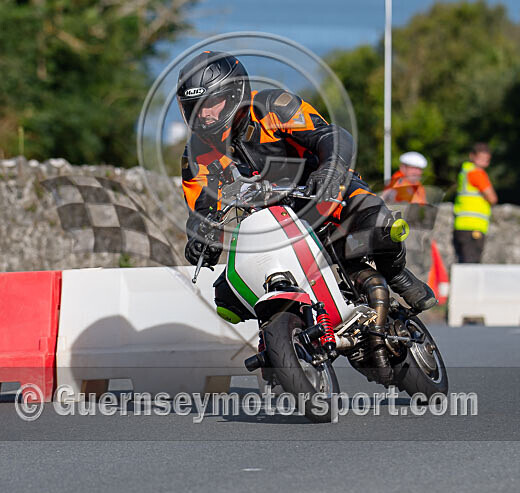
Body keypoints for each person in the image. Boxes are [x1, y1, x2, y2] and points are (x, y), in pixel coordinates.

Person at [176, 51, 437, 322]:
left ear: (234, 95)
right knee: (226, 300)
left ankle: (395, 273)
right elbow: (201, 208)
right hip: (271, 223)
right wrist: (200, 238)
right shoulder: (196, 155)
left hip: (327, 193)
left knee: (382, 226)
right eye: (195, 106)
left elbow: (331, 135)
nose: (204, 114)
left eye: (212, 103)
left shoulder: (274, 106)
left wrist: (330, 170)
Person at [453, 142, 498, 263]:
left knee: (464, 263)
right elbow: (492, 198)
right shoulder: (477, 173)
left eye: (486, 160)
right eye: (481, 159)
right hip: (473, 226)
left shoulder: (465, 171)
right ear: (472, 156)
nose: (484, 163)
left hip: (462, 225)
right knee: (471, 266)